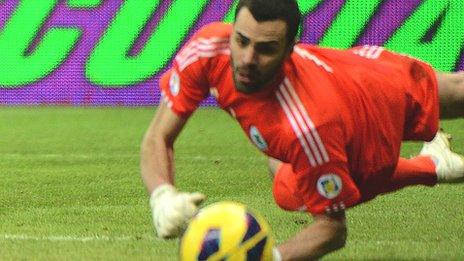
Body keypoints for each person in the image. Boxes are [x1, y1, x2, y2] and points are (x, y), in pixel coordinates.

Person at [140, 0, 464, 259]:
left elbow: (332, 229)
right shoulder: (210, 48)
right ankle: (436, 163)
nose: (247, 59)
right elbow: (158, 135)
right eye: (241, 40)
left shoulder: (307, 129)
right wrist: (162, 195)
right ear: (233, 29)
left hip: (371, 107)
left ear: (290, 51)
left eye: (266, 49)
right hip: (345, 82)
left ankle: (431, 165)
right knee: (282, 174)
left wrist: (270, 257)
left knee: (457, 91)